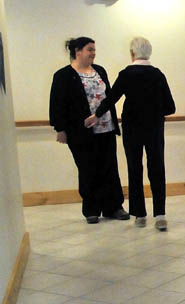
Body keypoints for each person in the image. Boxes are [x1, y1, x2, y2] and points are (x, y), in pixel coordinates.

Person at [84, 37, 175, 231]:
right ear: (149, 52)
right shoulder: (158, 75)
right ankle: (160, 215)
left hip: (132, 128)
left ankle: (140, 215)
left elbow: (111, 99)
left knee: (135, 169)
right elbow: (170, 107)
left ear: (132, 53)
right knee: (157, 168)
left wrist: (96, 115)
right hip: (154, 128)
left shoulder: (126, 74)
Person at [49, 37, 129, 224]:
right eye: (89, 49)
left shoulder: (100, 70)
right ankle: (91, 209)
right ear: (77, 51)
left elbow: (109, 98)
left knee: (109, 168)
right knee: (87, 169)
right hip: (80, 132)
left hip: (106, 128)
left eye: (94, 49)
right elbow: (57, 104)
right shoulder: (63, 75)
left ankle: (114, 207)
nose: (93, 53)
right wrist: (60, 129)